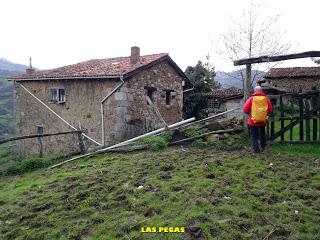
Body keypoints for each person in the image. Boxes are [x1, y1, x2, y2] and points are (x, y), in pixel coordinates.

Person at [243, 86, 273, 154]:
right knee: (262, 133)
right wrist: (264, 113)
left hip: (252, 121)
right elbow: (270, 110)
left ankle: (256, 151)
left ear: (254, 91)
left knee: (254, 135)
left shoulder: (251, 99)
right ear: (261, 91)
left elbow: (245, 109)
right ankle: (263, 147)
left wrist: (250, 114)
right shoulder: (266, 99)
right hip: (263, 120)